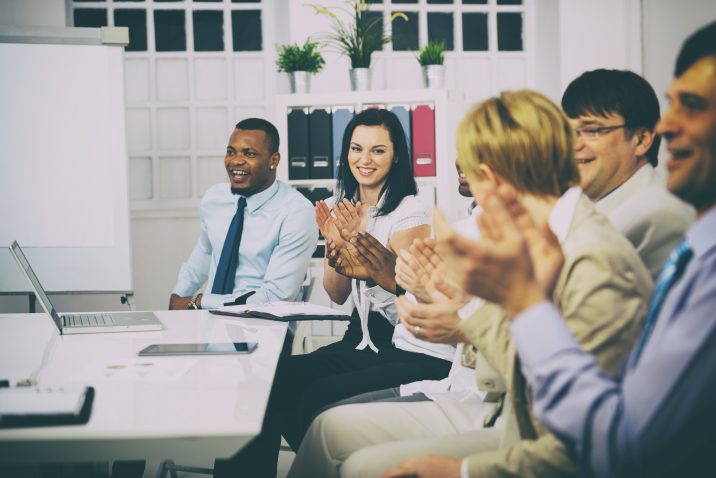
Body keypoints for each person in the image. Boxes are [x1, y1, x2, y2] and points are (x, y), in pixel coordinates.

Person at [289, 90, 653, 478]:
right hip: (489, 400)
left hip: (522, 426)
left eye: (476, 169)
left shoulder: (591, 255)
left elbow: (578, 422)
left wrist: (464, 323)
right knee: (326, 428)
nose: (469, 181)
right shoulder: (526, 232)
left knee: (358, 461)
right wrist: (443, 300)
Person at [422, 21, 716, 478]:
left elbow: (615, 446)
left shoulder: (633, 224)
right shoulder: (677, 235)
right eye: (570, 129)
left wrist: (509, 305)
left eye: (593, 129)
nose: (668, 125)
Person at [214, 108, 452, 478]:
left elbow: (409, 302)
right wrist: (335, 242)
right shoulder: (341, 202)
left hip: (400, 344)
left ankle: (335, 466)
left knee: (314, 396)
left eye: (377, 151)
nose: (364, 160)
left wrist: (364, 245)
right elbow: (336, 293)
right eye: (357, 149)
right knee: (265, 380)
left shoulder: (409, 213)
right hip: (358, 339)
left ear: (396, 156)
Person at [168, 118, 318, 310]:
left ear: (274, 160)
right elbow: (205, 253)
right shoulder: (214, 198)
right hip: (210, 322)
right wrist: (178, 296)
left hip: (267, 327)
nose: (236, 161)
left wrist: (197, 302)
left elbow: (275, 296)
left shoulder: (297, 213)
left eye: (249, 153)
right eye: (231, 152)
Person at [562, 68, 695, 277]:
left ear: (641, 140)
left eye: (591, 130)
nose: (574, 145)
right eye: (567, 131)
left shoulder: (660, 217)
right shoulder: (578, 203)